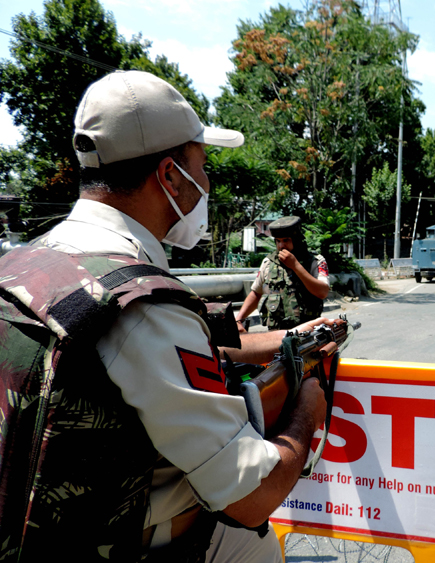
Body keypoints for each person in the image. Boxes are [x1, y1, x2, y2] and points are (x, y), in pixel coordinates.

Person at [0, 70, 326, 561]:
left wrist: (281, 341)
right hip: (113, 547)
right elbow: (252, 498)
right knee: (253, 545)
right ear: (171, 176)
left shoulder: (26, 262)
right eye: (203, 164)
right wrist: (307, 409)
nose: (208, 181)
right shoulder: (145, 305)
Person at [236, 217, 330, 332]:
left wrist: (295, 266)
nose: (281, 246)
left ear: (296, 240)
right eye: (278, 241)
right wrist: (239, 320)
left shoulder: (315, 261)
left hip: (307, 333)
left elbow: (323, 292)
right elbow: (256, 293)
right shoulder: (268, 262)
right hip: (276, 335)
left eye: (286, 240)